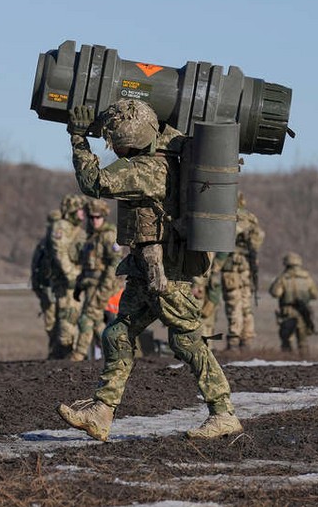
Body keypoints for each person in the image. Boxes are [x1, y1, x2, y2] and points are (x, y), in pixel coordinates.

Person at [56, 99, 242, 441]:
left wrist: (78, 138)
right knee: (117, 334)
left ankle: (223, 413)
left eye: (117, 141)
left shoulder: (145, 170)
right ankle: (102, 412)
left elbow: (94, 182)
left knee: (186, 341)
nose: (116, 147)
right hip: (148, 265)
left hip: (167, 271)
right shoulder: (165, 148)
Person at [71, 198, 122, 361]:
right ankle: (115, 353)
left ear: (103, 217)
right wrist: (79, 285)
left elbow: (114, 264)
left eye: (97, 217)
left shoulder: (108, 235)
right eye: (91, 217)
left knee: (86, 318)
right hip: (90, 286)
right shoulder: (91, 237)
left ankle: (78, 355)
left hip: (103, 287)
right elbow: (86, 265)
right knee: (97, 322)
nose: (94, 221)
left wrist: (103, 290)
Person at [220, 191, 264, 350]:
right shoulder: (251, 218)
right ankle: (247, 339)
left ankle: (233, 339)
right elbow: (258, 241)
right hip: (247, 267)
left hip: (231, 266)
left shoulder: (229, 217)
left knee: (233, 302)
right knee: (246, 303)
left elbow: (225, 238)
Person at [48, 193, 87, 359]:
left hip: (78, 282)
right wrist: (71, 275)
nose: (83, 214)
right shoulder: (61, 226)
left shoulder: (78, 229)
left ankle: (67, 357)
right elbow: (60, 253)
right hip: (66, 284)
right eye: (80, 210)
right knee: (66, 325)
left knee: (77, 320)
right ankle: (61, 357)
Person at [269, 252, 318, 356]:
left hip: (288, 311)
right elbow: (315, 295)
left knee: (287, 339)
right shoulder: (307, 278)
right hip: (303, 311)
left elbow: (275, 293)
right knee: (303, 341)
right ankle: (305, 363)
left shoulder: (283, 278)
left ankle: (287, 362)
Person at [30, 209, 61, 341]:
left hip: (60, 287)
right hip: (47, 287)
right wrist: (37, 286)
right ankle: (55, 350)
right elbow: (36, 266)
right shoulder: (43, 244)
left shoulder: (63, 243)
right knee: (51, 324)